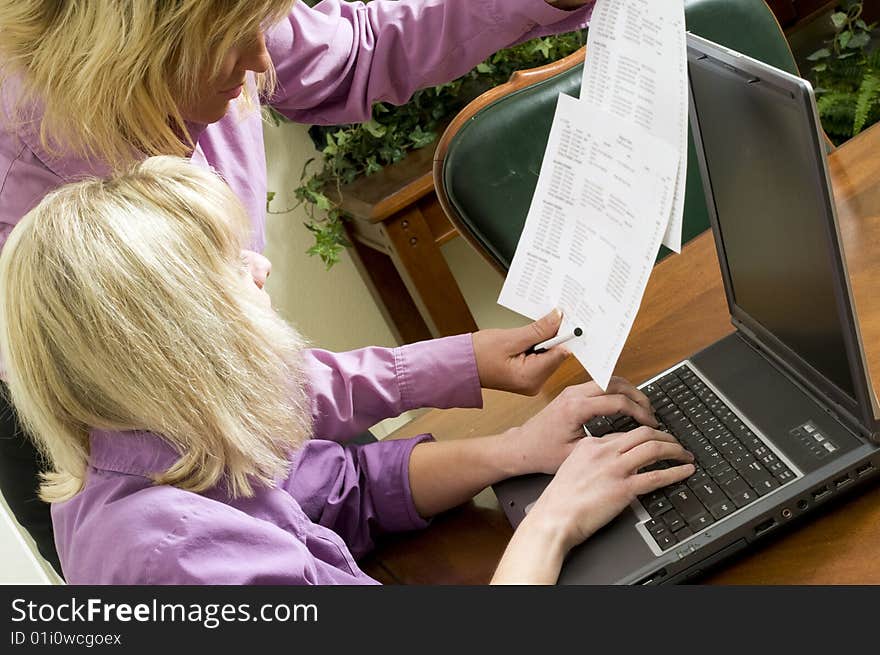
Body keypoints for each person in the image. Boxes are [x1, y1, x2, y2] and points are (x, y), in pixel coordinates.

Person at [0, 0, 597, 576]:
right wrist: (551, 523)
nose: (265, 62)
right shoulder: (175, 543)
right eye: (231, 38)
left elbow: (330, 487)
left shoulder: (198, 471)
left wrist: (511, 446)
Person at [0, 156, 694, 584]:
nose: (261, 266)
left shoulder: (150, 441)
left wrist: (516, 450)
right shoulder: (182, 556)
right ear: (179, 339)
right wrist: (553, 520)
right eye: (233, 266)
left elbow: (346, 487)